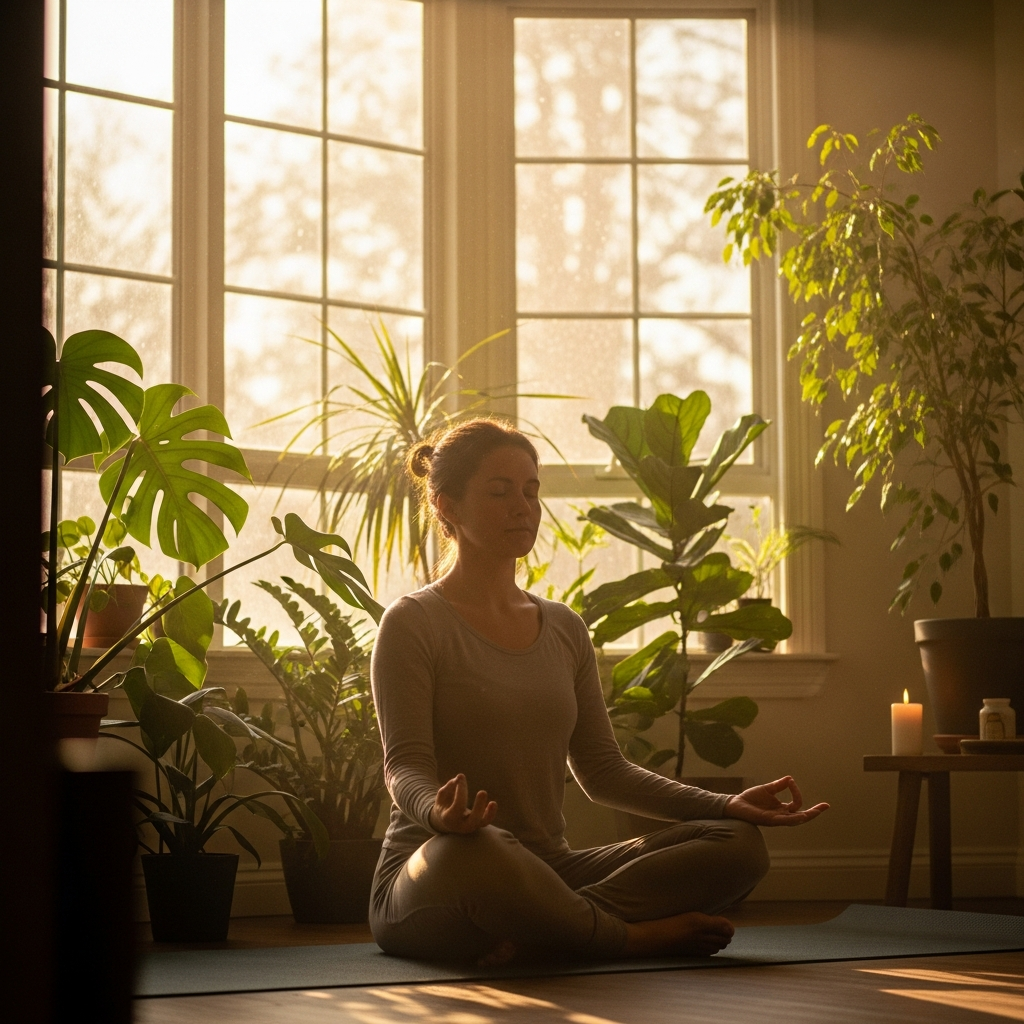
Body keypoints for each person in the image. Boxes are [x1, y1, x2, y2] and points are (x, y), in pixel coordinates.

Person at [369, 419, 828, 965]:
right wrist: (441, 818)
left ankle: (545, 928)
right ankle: (627, 938)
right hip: (440, 866)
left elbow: (603, 770)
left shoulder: (563, 628)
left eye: (531, 491)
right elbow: (405, 767)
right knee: (484, 849)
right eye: (500, 491)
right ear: (446, 506)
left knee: (739, 845)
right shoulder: (413, 622)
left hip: (550, 870)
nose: (524, 506)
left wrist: (725, 803)